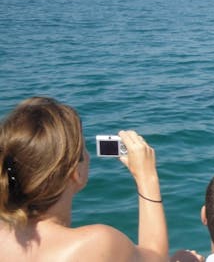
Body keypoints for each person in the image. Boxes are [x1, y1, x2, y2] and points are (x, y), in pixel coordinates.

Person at [0, 97, 168, 261]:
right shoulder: (97, 244)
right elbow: (157, 257)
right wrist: (146, 175)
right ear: (75, 173)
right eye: (83, 149)